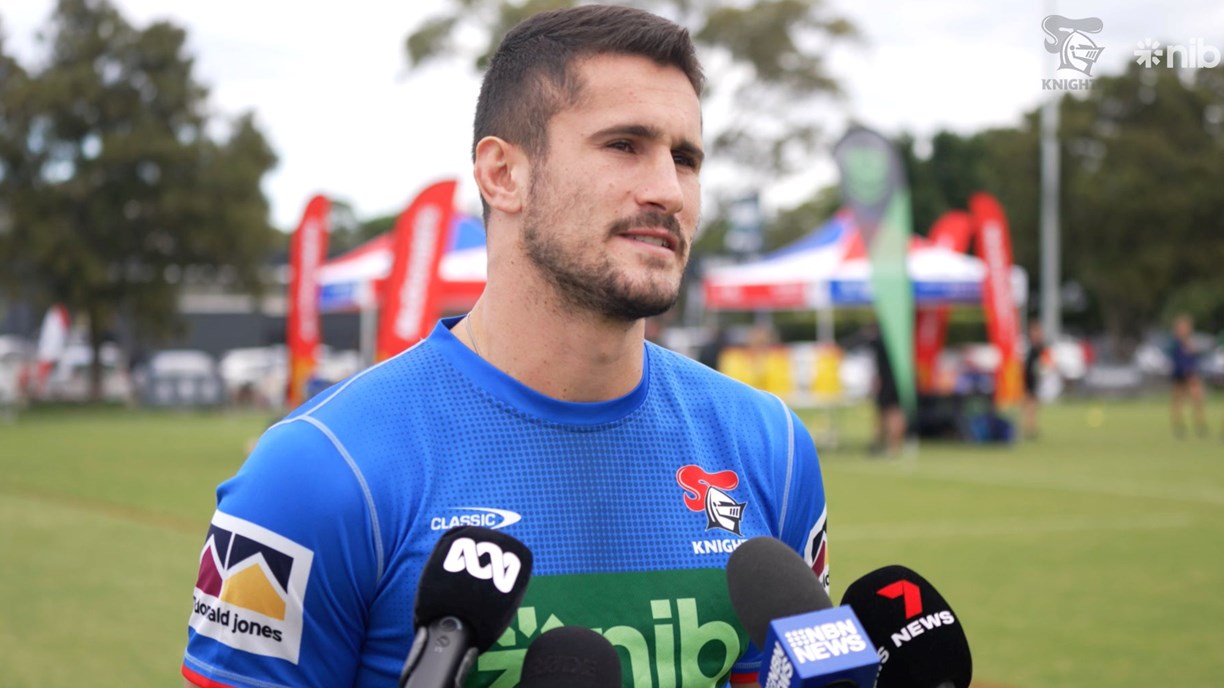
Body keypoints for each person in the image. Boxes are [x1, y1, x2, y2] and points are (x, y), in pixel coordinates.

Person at [181, 7, 827, 688]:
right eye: (623, 145)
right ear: (501, 174)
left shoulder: (770, 448)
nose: (667, 189)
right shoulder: (318, 471)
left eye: (686, 159)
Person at [868, 321, 905, 456]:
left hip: (887, 382)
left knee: (889, 413)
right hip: (897, 380)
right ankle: (888, 445)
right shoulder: (900, 340)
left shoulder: (881, 342)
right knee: (892, 412)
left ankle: (889, 445)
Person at [1169, 313, 1208, 438]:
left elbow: (1195, 360)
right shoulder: (1175, 343)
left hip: (1191, 375)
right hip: (1180, 375)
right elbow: (1178, 362)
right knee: (1178, 401)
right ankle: (1179, 426)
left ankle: (1199, 424)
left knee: (1197, 399)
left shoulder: (1191, 343)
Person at [1022, 319, 1048, 439]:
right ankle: (1028, 428)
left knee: (1032, 405)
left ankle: (1030, 427)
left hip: (1033, 378)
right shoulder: (1029, 346)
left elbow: (1045, 362)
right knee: (1029, 404)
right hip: (1027, 378)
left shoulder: (1039, 347)